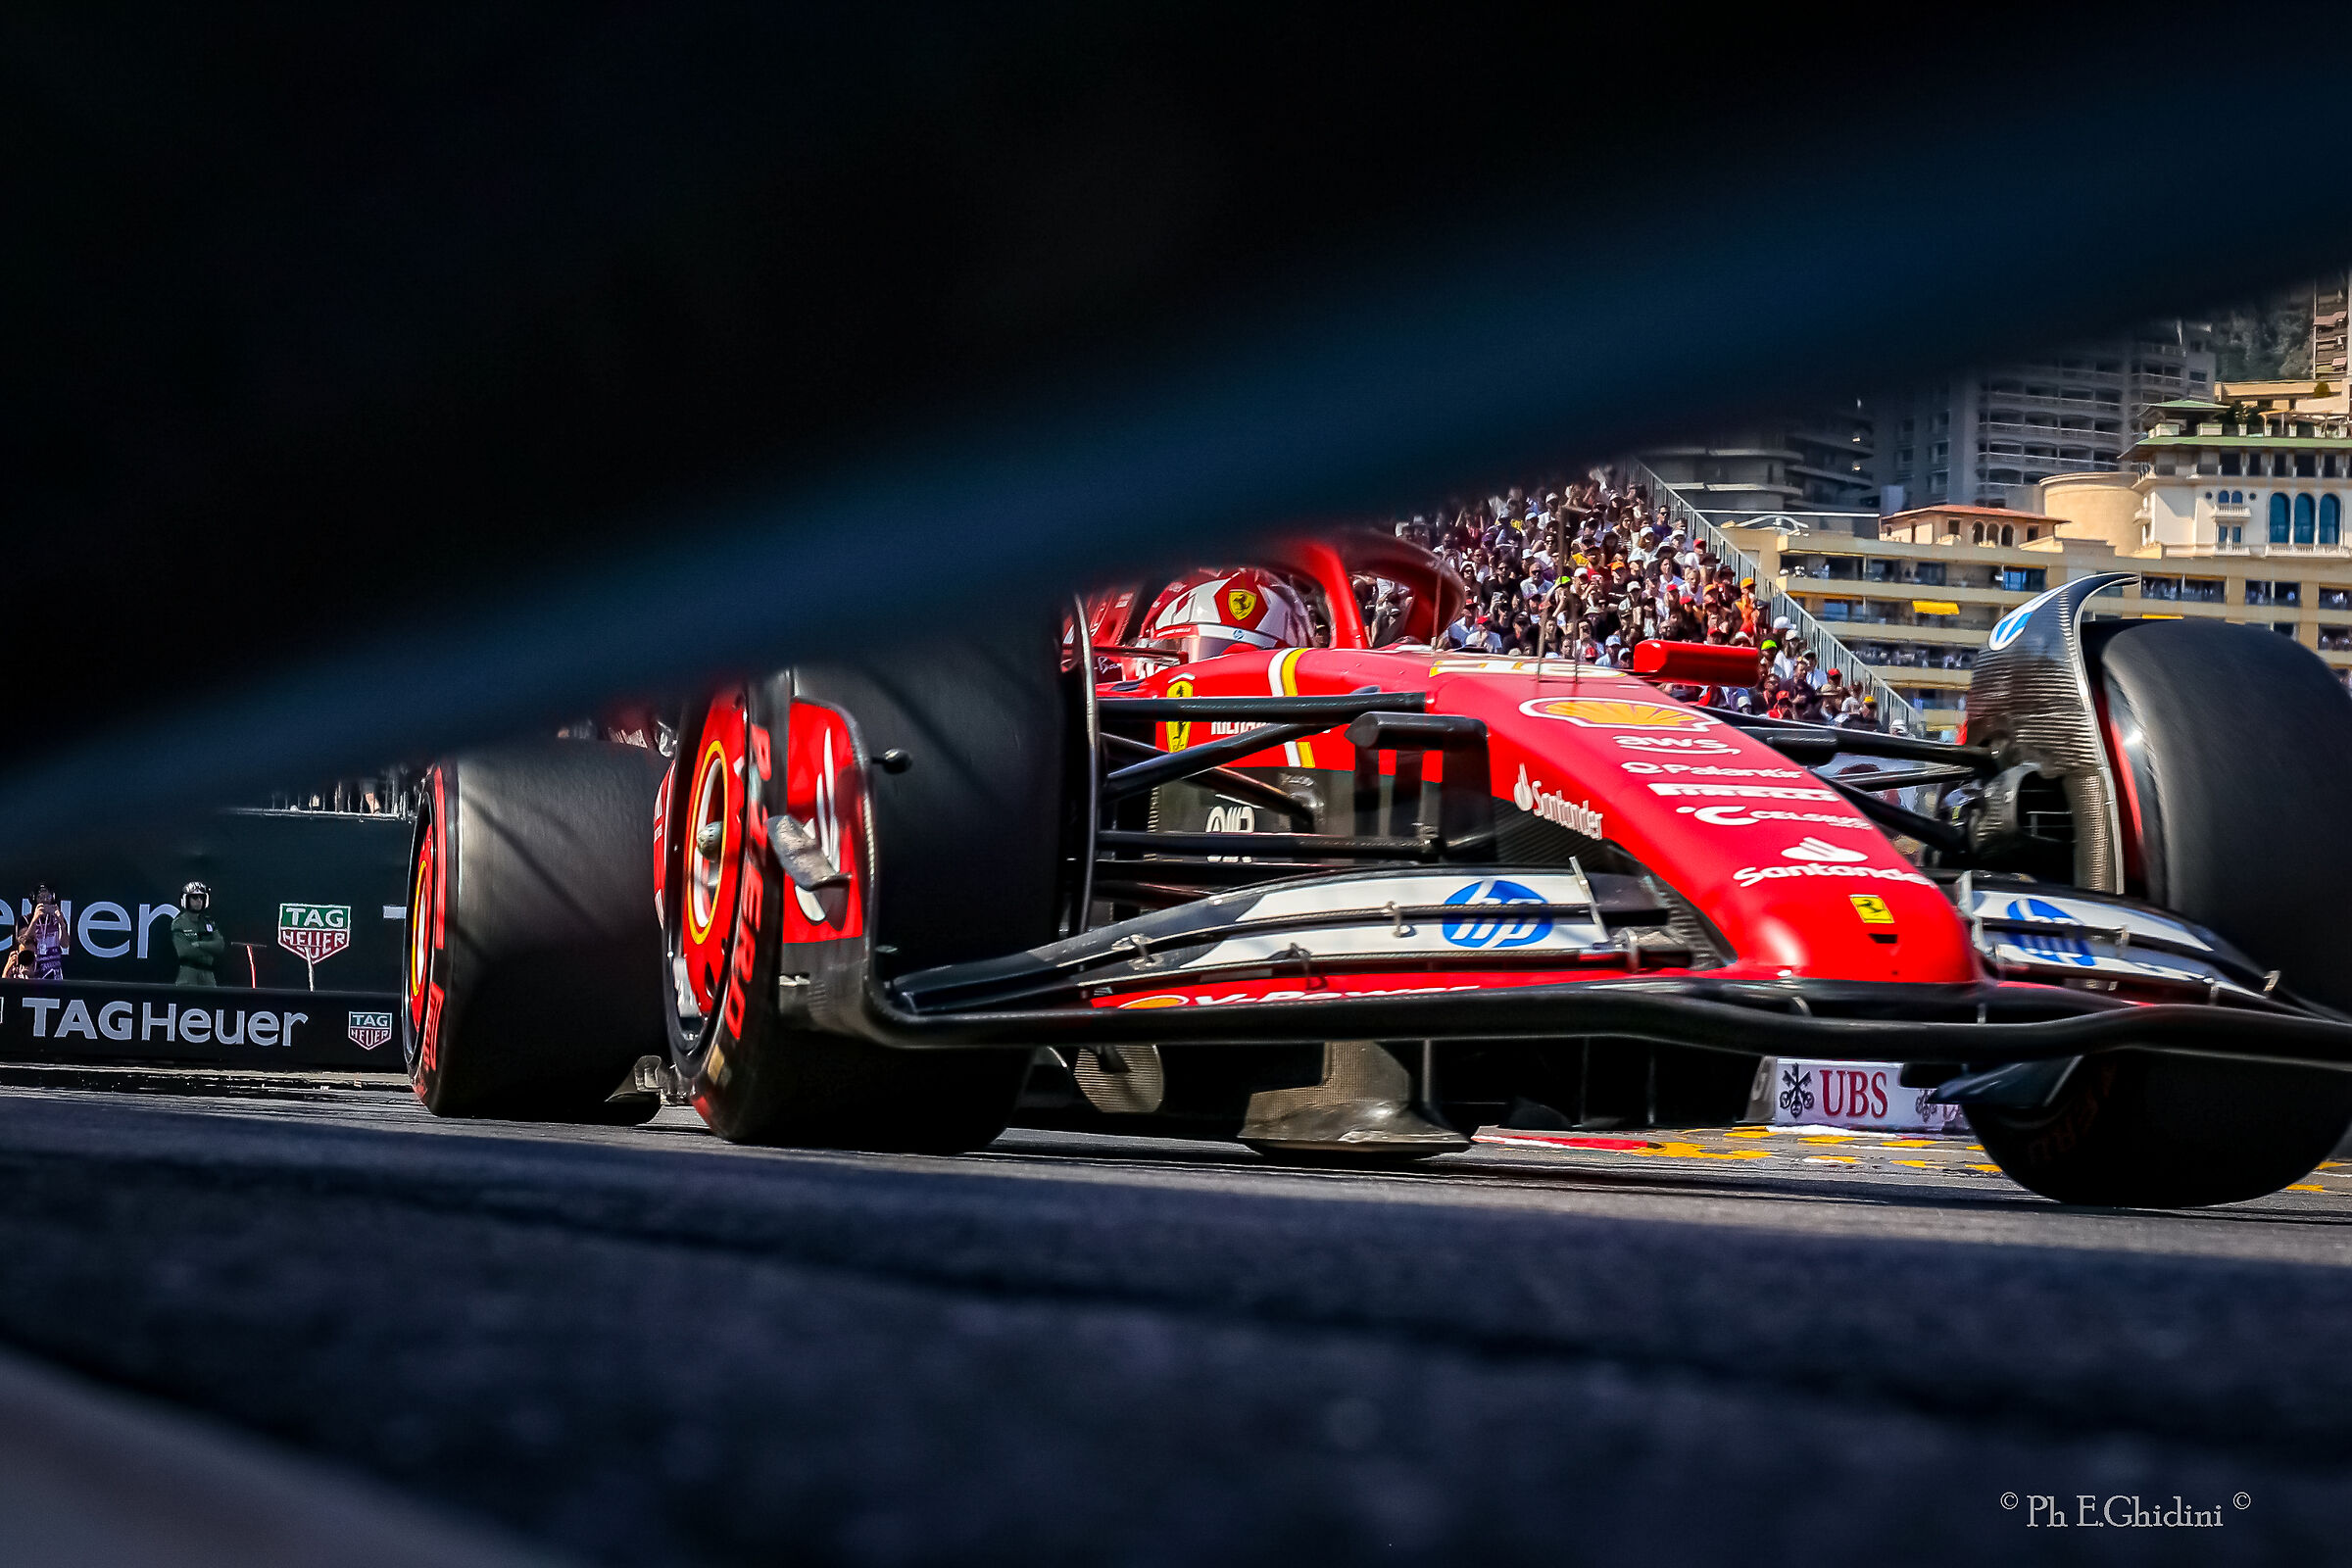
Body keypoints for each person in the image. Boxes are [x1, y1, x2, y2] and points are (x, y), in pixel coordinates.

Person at [171, 881, 227, 987]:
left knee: (211, 1002)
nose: (199, 901)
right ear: (186, 900)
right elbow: (184, 951)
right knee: (188, 1002)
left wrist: (199, 944)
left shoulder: (209, 922)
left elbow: (220, 946)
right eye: (194, 897)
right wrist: (210, 948)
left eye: (201, 898)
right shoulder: (179, 923)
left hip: (208, 975)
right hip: (188, 974)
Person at [8, 886, 71, 981]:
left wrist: (62, 924)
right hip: (32, 969)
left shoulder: (57, 919)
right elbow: (24, 942)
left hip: (53, 971)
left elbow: (65, 944)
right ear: (34, 900)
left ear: (52, 899)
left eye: (47, 897)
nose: (44, 901)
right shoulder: (25, 919)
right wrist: (35, 920)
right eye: (40, 897)